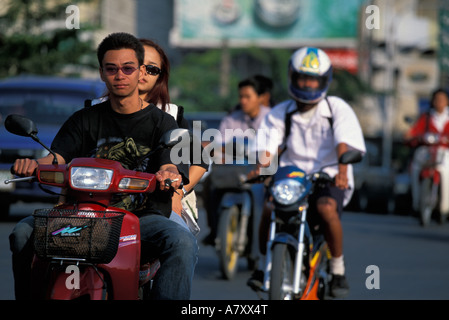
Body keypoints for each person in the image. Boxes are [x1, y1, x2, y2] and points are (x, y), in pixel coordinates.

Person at [8, 32, 198, 300]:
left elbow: (170, 165)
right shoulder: (83, 119)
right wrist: (31, 164)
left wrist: (168, 174)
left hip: (141, 218)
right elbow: (56, 158)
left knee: (182, 242)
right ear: (101, 73)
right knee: (22, 233)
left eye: (127, 68)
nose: (119, 75)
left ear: (140, 71)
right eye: (111, 69)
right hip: (79, 215)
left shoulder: (164, 122)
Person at [246, 47, 366, 298]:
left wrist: (343, 171)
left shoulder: (336, 108)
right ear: (292, 77)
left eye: (313, 79)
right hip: (291, 177)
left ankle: (337, 269)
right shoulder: (280, 112)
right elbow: (269, 148)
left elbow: (344, 142)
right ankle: (262, 265)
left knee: (326, 209)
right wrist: (263, 169)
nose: (307, 84)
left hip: (328, 175)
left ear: (324, 80)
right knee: (269, 208)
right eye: (303, 78)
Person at [138, 38, 208, 235]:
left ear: (161, 76)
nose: (143, 73)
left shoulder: (170, 114)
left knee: (180, 242)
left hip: (155, 205)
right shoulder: (95, 109)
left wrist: (178, 193)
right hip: (102, 202)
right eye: (137, 65)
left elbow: (200, 159)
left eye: (152, 69)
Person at [202, 75, 273, 246]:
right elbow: (219, 146)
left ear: (261, 98)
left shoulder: (272, 118)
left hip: (263, 171)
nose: (243, 101)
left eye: (248, 97)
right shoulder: (232, 119)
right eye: (241, 96)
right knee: (209, 182)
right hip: (234, 170)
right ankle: (214, 229)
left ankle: (266, 239)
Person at [404, 88, 449, 221]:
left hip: (444, 152)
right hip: (427, 152)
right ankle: (417, 203)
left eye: (442, 99)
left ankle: (445, 206)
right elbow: (412, 132)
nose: (439, 102)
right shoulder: (426, 117)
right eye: (436, 99)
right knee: (415, 167)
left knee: (446, 170)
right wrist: (409, 136)